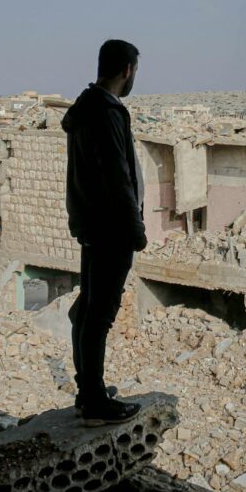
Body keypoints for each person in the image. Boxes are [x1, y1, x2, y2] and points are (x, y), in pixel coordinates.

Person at [62, 39, 147, 425]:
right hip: (111, 229)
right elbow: (118, 177)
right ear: (127, 70)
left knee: (88, 310)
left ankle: (88, 391)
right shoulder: (108, 112)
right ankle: (94, 401)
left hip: (93, 226)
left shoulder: (85, 108)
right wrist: (135, 228)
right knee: (98, 314)